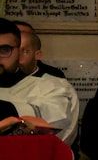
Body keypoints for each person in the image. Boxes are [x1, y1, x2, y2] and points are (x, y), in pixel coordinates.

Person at [0, 17, 78, 145]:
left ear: (18, 51)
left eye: (4, 50)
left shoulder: (53, 86)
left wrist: (8, 112)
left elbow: (57, 122)